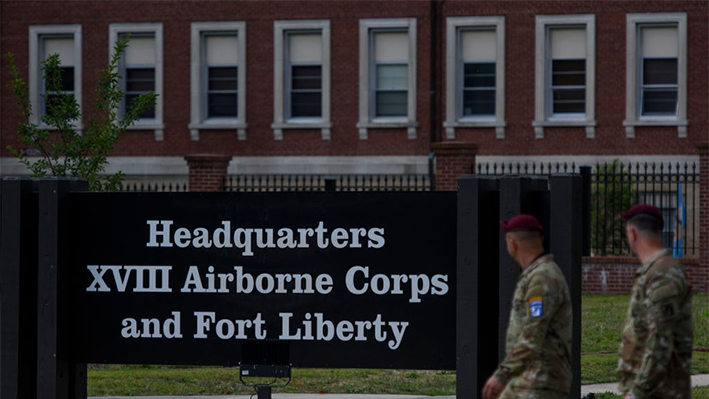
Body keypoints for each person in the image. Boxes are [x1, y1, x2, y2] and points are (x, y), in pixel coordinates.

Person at [482, 214, 572, 399]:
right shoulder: (537, 274)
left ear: (512, 244)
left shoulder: (541, 278)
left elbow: (534, 331)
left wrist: (502, 375)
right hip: (528, 376)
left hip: (541, 379)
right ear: (540, 238)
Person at [617, 204, 693, 399]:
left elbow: (660, 339)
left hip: (660, 391)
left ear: (632, 233)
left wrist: (637, 392)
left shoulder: (662, 274)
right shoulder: (655, 271)